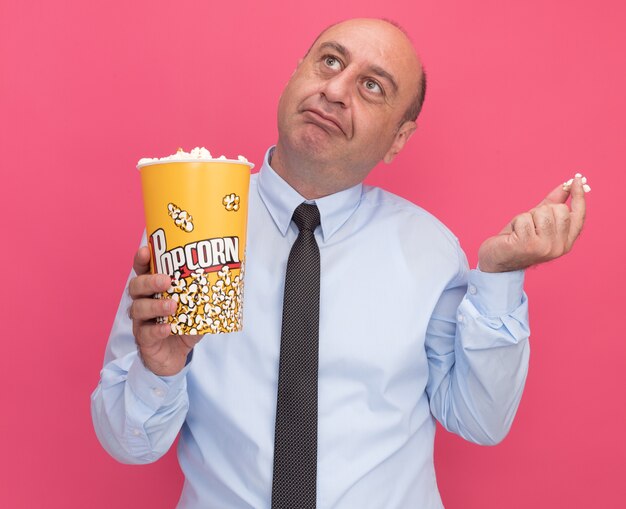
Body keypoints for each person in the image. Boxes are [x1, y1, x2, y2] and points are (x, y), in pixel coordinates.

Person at [91, 18, 586, 508]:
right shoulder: (187, 226)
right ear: (294, 75)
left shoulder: (429, 250)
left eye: (372, 86)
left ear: (399, 138)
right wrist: (159, 370)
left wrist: (498, 278)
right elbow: (128, 444)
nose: (335, 90)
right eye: (330, 61)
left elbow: (479, 420)